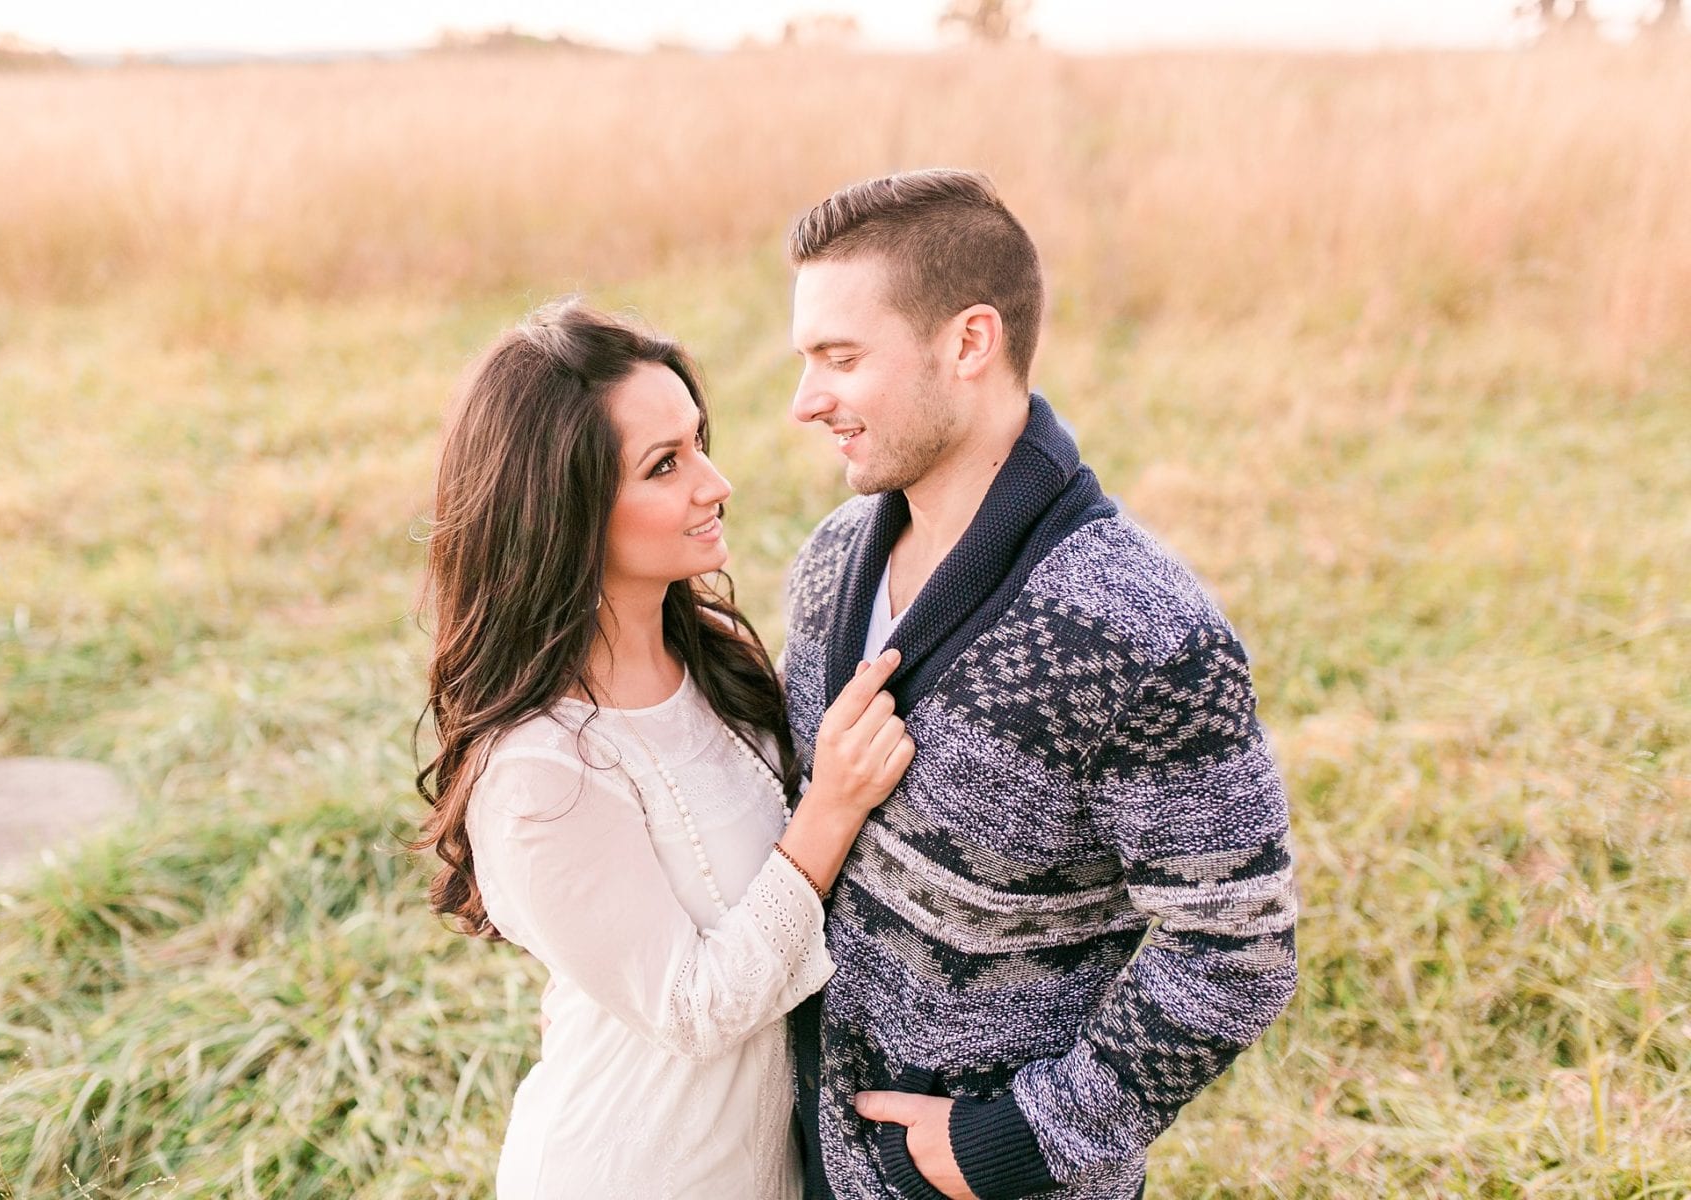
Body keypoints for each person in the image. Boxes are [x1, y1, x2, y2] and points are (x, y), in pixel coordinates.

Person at [780, 169, 1300, 1200]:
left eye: (841, 359)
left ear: (969, 342)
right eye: (807, 362)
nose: (805, 403)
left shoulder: (1141, 628)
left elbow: (1237, 941)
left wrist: (1018, 1139)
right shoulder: (832, 558)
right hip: (806, 1154)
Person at [411, 301, 915, 1198]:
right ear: (562, 513)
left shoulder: (710, 658)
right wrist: (833, 806)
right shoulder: (539, 771)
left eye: (697, 442)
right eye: (665, 465)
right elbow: (696, 1005)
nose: (714, 483)